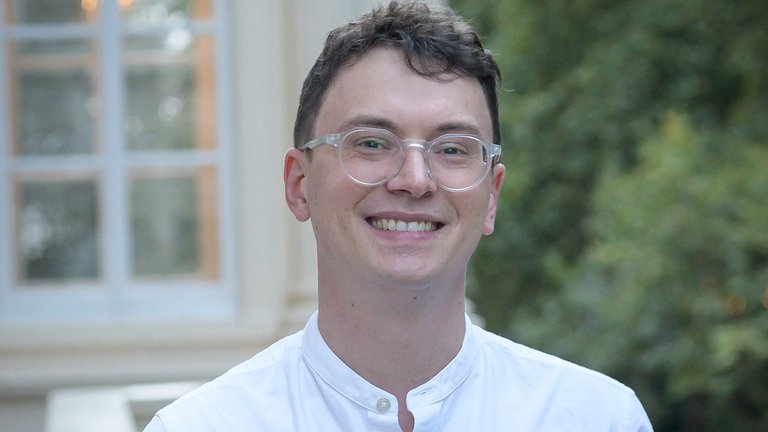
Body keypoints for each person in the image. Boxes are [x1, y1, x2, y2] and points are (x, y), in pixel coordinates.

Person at [144, 2, 653, 431]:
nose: (415, 179)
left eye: (453, 149)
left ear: (491, 196)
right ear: (299, 185)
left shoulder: (595, 419)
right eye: (371, 143)